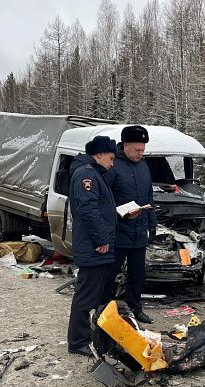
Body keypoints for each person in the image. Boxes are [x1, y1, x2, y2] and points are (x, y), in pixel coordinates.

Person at [67, 135, 118, 357]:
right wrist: (102, 240)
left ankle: (87, 335)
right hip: (92, 246)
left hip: (94, 244)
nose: (112, 162)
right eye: (111, 157)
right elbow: (88, 210)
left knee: (93, 293)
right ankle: (77, 341)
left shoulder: (94, 172)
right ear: (99, 154)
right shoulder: (86, 174)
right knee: (86, 294)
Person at [107, 125, 157, 324]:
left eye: (143, 150)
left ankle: (136, 308)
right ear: (125, 146)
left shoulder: (143, 166)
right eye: (137, 150)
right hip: (119, 231)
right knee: (110, 273)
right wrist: (120, 214)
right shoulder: (113, 166)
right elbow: (105, 199)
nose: (140, 153)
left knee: (138, 274)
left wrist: (152, 223)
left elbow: (149, 196)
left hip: (139, 231)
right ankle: (105, 308)